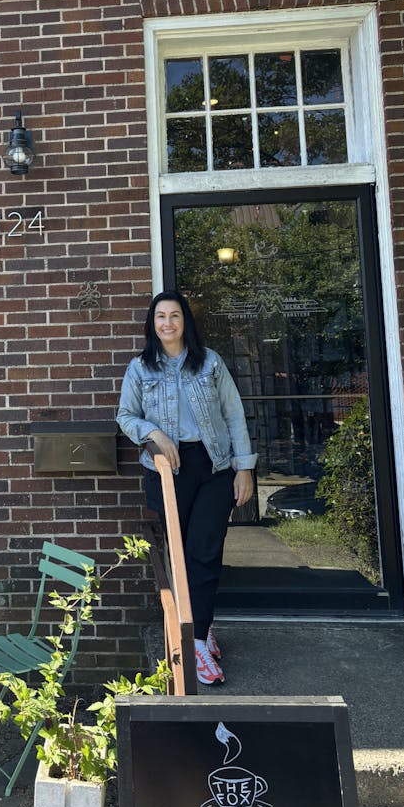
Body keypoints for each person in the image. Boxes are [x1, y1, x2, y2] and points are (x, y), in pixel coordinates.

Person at [116, 290, 256, 686]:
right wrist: (154, 432)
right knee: (178, 557)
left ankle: (196, 639)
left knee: (204, 553)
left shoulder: (209, 362)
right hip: (167, 472)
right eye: (160, 316)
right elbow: (125, 415)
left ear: (185, 322)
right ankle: (196, 631)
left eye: (174, 316)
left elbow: (233, 414)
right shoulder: (140, 368)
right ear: (153, 323)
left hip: (214, 467)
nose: (168, 323)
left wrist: (244, 468)